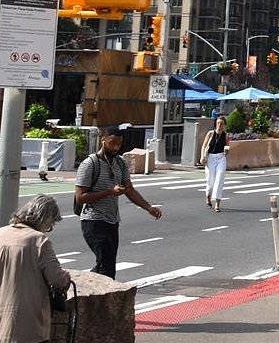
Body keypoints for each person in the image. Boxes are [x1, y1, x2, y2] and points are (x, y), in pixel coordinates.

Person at [74, 125, 162, 278]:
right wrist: (109, 192)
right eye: (112, 143)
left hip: (112, 221)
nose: (116, 147)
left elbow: (130, 190)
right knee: (106, 267)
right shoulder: (90, 164)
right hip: (93, 221)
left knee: (107, 265)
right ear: (103, 140)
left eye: (119, 144)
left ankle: (88, 285)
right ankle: (92, 291)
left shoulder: (120, 163)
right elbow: (80, 197)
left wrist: (148, 207)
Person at [0, 194, 72, 343]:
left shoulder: (2, 233)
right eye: (50, 224)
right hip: (25, 323)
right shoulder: (39, 241)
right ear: (45, 219)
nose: (49, 229)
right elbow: (57, 279)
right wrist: (66, 277)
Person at [200, 117, 229, 212]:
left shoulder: (226, 135)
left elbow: (227, 147)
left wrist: (226, 151)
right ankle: (208, 195)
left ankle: (217, 204)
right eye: (218, 123)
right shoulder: (210, 133)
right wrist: (202, 157)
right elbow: (204, 146)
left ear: (224, 125)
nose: (220, 125)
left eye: (222, 124)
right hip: (210, 158)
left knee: (219, 179)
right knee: (210, 181)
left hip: (221, 158)